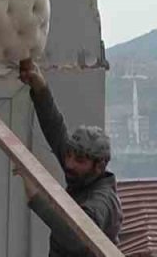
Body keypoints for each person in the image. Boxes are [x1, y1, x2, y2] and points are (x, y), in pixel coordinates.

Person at [16, 61, 122, 257]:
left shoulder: (102, 201)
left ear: (99, 166)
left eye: (79, 160)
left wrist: (37, 198)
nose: (69, 164)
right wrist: (39, 87)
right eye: (69, 156)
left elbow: (78, 239)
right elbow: (55, 129)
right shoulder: (81, 174)